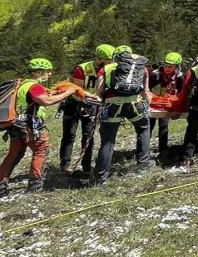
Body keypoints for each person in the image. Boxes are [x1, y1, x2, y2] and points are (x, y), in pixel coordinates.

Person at [0, 58, 78, 196]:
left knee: (14, 154)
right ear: (38, 72)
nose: (49, 75)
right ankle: (35, 186)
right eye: (47, 72)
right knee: (41, 151)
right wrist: (68, 93)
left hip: (15, 124)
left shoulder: (22, 84)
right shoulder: (35, 86)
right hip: (30, 125)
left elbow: (42, 95)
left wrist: (57, 92)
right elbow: (45, 100)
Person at [93, 45, 152, 186]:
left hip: (112, 104)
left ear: (115, 56)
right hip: (134, 104)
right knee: (143, 129)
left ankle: (100, 178)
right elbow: (146, 92)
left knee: (108, 141)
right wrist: (148, 107)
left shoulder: (106, 68)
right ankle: (143, 165)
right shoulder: (142, 68)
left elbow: (99, 92)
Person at [59, 44, 114, 176]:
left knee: (88, 136)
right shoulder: (82, 69)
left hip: (92, 106)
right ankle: (65, 165)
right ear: (100, 59)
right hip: (74, 104)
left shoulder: (109, 70)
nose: (111, 63)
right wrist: (93, 97)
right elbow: (77, 90)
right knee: (69, 135)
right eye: (108, 60)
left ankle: (86, 166)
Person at [149, 51, 185, 163]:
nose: (167, 68)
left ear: (176, 67)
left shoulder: (180, 77)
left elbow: (181, 92)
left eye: (170, 67)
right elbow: (147, 88)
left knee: (163, 127)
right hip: (153, 104)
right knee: (148, 127)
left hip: (167, 105)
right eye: (165, 66)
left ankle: (163, 151)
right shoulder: (155, 74)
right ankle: (143, 150)